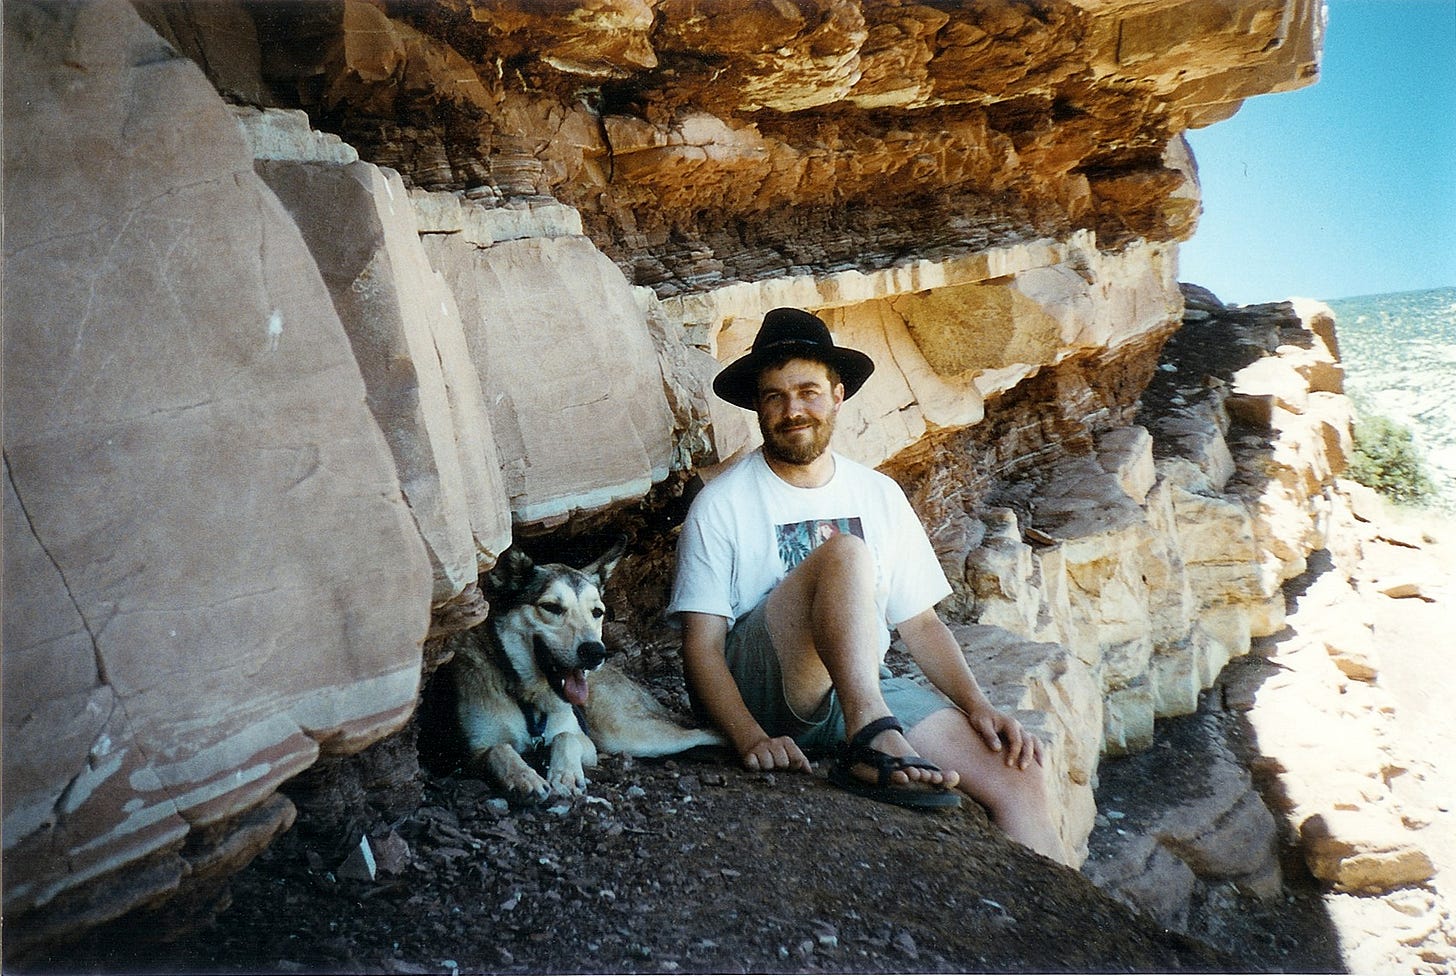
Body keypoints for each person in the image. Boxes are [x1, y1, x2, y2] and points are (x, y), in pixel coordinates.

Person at [668, 307, 1066, 862]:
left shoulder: (877, 493)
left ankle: (1047, 929)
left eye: (807, 391)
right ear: (758, 407)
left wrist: (978, 704)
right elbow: (701, 645)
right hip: (770, 689)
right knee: (846, 554)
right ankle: (871, 736)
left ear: (836, 395)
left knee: (1019, 772)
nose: (792, 410)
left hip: (860, 685)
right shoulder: (722, 504)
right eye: (774, 397)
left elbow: (921, 624)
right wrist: (749, 737)